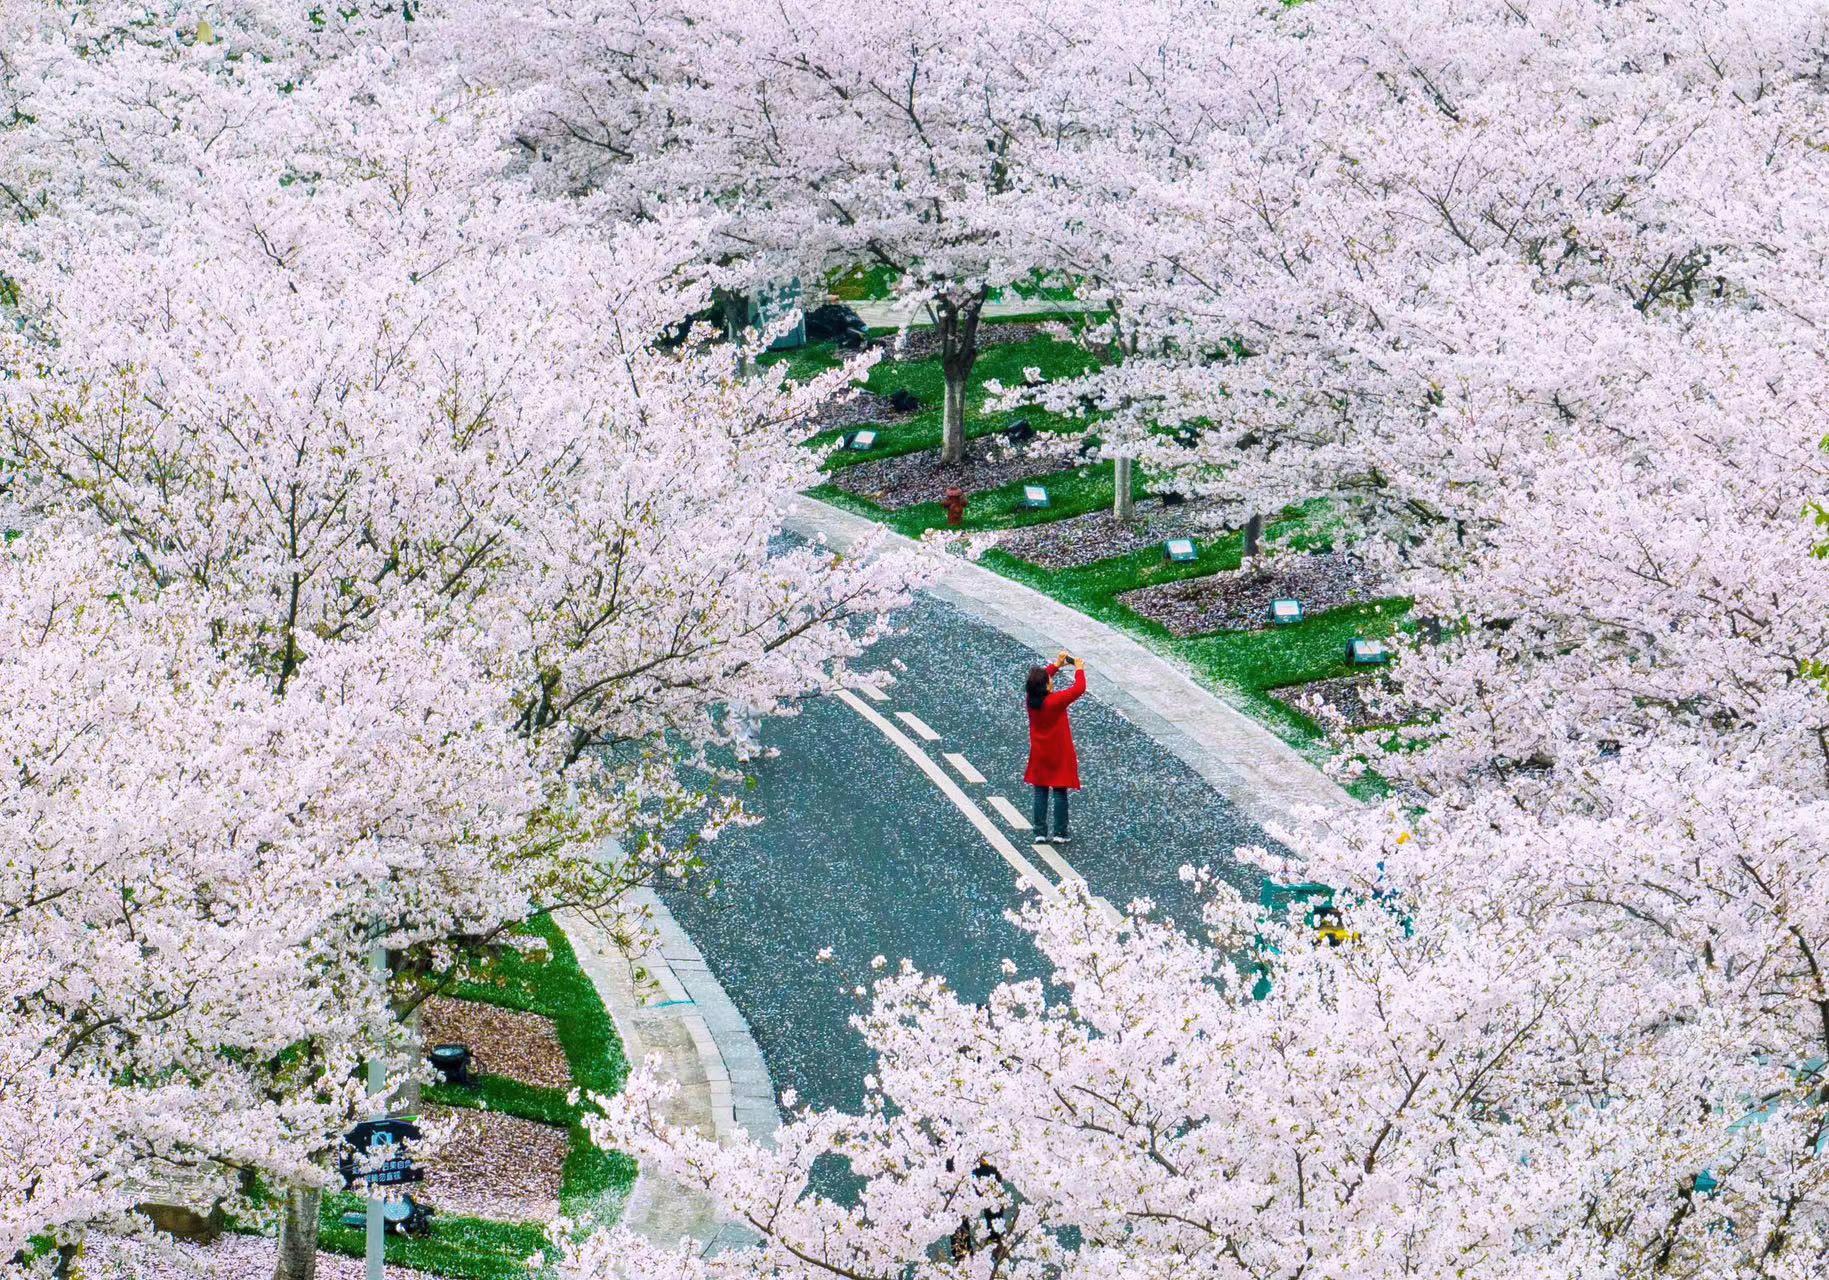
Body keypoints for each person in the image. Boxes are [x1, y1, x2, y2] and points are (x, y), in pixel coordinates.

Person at [1023, 651, 1085, 843]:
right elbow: (1079, 688)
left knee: (1040, 790)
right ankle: (1060, 832)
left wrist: (1056, 665)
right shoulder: (1055, 702)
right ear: (1045, 686)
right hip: (1059, 753)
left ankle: (1040, 831)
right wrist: (1079, 669)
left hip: (1040, 753)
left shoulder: (1032, 701)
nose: (1052, 681)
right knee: (1059, 790)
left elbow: (1038, 682)